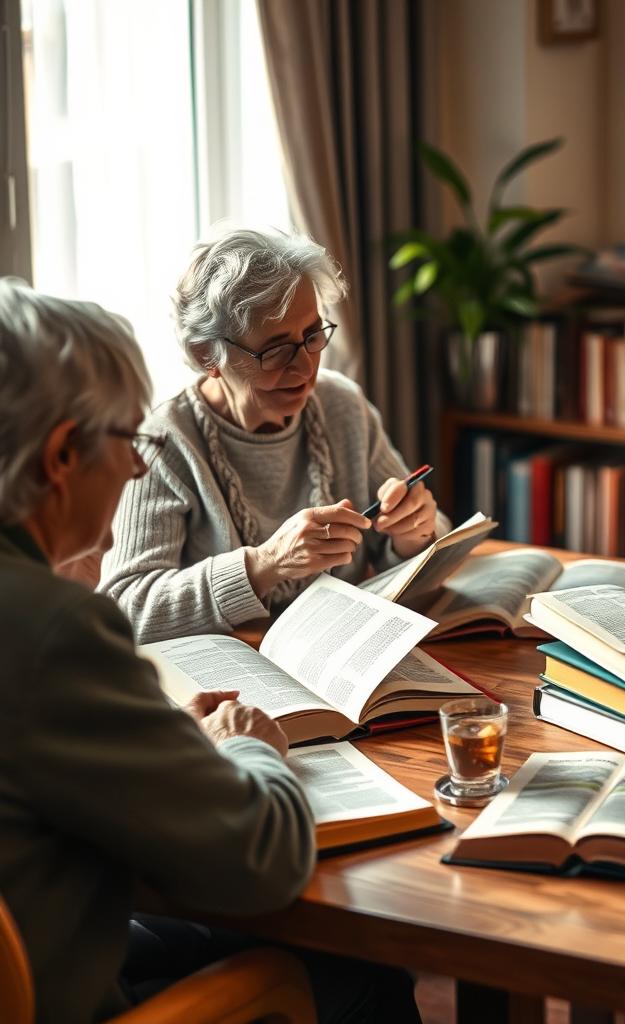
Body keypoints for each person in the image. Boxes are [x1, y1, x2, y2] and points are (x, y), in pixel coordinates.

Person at [0, 279, 421, 1023]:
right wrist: (249, 747)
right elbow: (262, 862)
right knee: (367, 974)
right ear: (63, 454)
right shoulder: (55, 629)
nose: (136, 467)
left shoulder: (343, 409)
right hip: (65, 995)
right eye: (126, 441)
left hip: (52, 945)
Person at [99, 227, 449, 644]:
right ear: (206, 354)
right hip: (227, 686)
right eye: (276, 349)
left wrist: (416, 534)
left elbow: (429, 533)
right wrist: (266, 564)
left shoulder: (341, 405)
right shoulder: (162, 444)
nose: (305, 369)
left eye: (313, 336)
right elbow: (124, 609)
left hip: (343, 659)